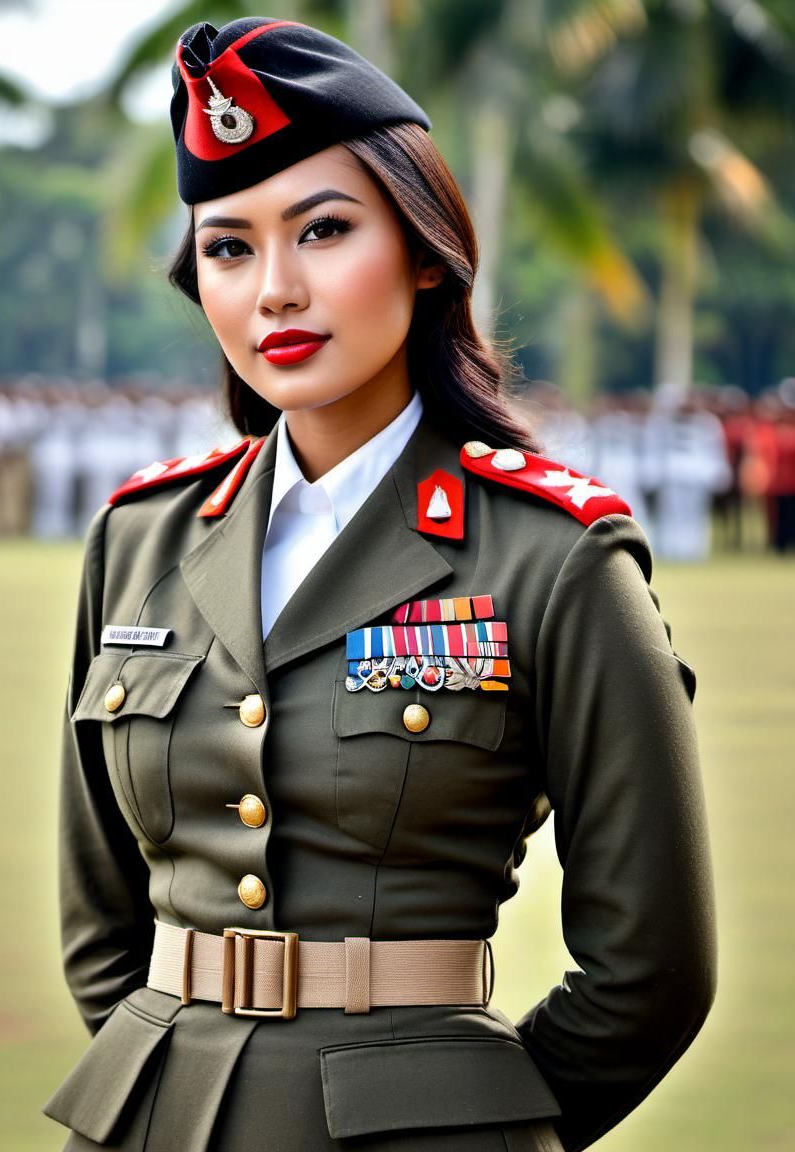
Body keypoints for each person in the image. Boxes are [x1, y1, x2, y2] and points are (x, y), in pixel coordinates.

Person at [42, 17, 716, 1152]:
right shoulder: (141, 540)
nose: (275, 290)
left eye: (323, 229)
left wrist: (479, 1124)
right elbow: (98, 917)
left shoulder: (551, 556)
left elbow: (650, 968)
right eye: (228, 247)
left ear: (420, 246)